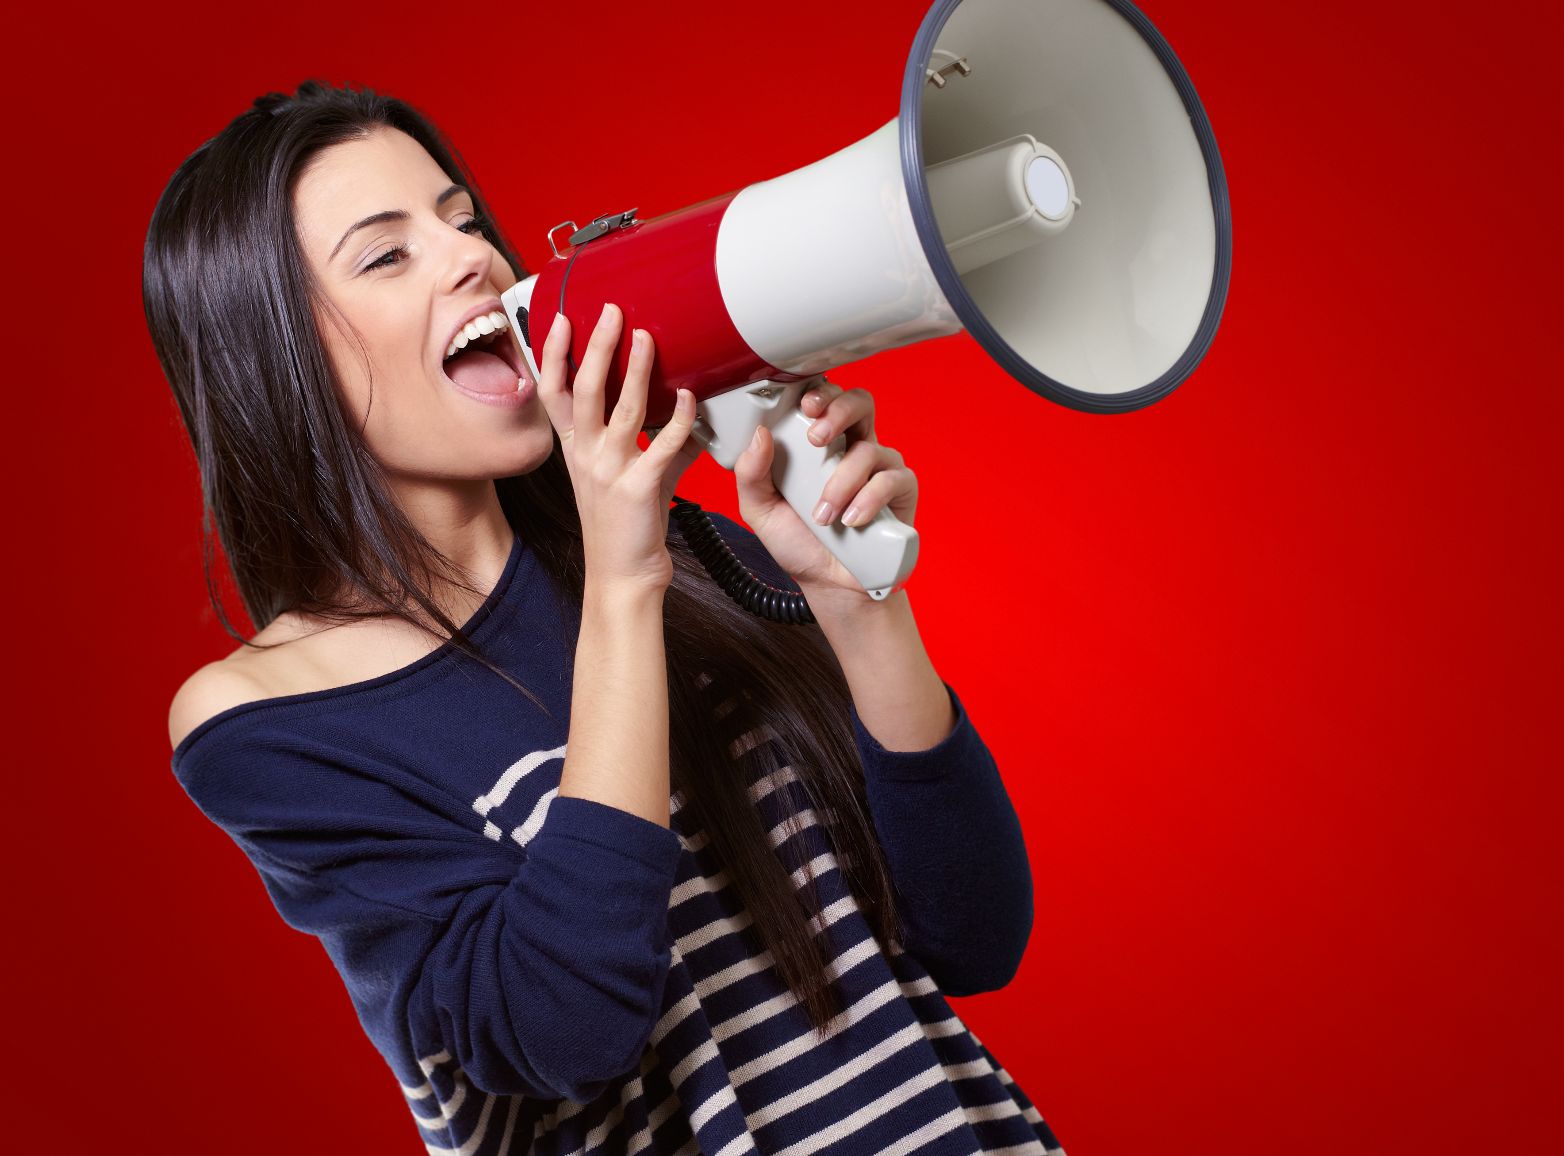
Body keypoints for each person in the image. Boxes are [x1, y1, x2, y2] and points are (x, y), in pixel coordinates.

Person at [144, 78, 1061, 1154]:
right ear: (272, 358)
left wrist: (855, 601)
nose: (473, 257)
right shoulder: (264, 717)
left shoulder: (677, 551)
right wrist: (624, 587)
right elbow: (566, 1025)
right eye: (387, 255)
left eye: (461, 218)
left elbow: (972, 934)